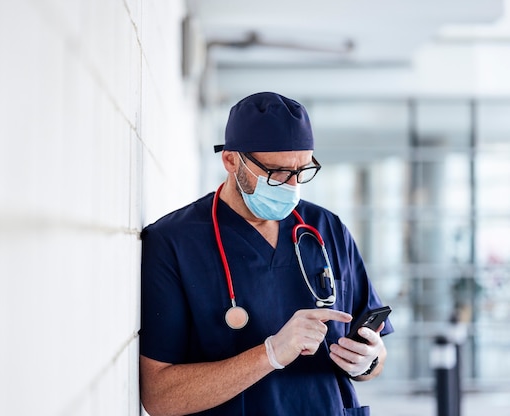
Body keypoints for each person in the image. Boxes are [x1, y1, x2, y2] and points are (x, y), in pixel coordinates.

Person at [139, 92, 394, 416]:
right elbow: (161, 397)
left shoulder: (328, 229)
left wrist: (368, 362)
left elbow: (377, 356)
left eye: (302, 170)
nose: (292, 185)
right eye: (277, 172)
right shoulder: (175, 243)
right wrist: (269, 354)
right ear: (231, 160)